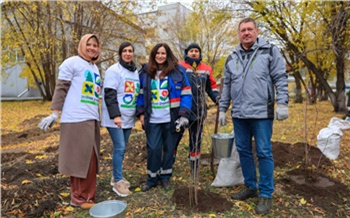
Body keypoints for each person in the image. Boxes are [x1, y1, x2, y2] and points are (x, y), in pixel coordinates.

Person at [218, 17, 289, 215]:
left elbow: (280, 77)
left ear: (256, 31)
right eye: (243, 30)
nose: (246, 33)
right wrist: (223, 108)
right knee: (243, 151)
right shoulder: (232, 57)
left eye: (250, 29)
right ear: (239, 33)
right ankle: (251, 186)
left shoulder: (269, 51)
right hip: (239, 114)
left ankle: (265, 193)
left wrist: (282, 103)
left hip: (261, 113)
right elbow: (227, 86)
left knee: (264, 151)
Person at [39, 34, 101, 209]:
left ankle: (88, 196)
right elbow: (61, 88)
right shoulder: (71, 62)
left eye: (95, 45)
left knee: (91, 160)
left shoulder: (94, 68)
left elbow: (94, 95)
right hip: (76, 119)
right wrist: (54, 113)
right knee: (79, 160)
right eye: (88, 44)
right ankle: (79, 198)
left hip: (91, 118)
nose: (92, 48)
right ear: (82, 45)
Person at [136, 43, 192, 192]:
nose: (160, 56)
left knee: (169, 149)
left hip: (171, 119)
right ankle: (152, 178)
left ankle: (165, 177)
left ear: (168, 55)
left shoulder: (178, 72)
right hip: (152, 119)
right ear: (153, 55)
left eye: (163, 53)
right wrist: (141, 113)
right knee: (153, 149)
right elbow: (140, 95)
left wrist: (184, 115)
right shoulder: (145, 73)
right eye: (157, 53)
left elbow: (186, 94)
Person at [101, 42, 139, 197]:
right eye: (125, 51)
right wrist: (116, 116)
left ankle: (116, 176)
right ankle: (117, 181)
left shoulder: (135, 72)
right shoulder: (114, 70)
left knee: (122, 148)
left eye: (130, 51)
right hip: (115, 118)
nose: (128, 53)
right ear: (120, 53)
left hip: (129, 117)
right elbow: (109, 94)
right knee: (120, 147)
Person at [178, 43, 219, 176]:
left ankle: (194, 166)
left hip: (199, 111)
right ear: (187, 53)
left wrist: (217, 98)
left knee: (196, 140)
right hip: (181, 111)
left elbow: (211, 87)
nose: (194, 53)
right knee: (174, 139)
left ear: (200, 53)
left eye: (196, 51)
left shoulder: (206, 69)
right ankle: (168, 166)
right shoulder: (179, 67)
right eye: (191, 51)